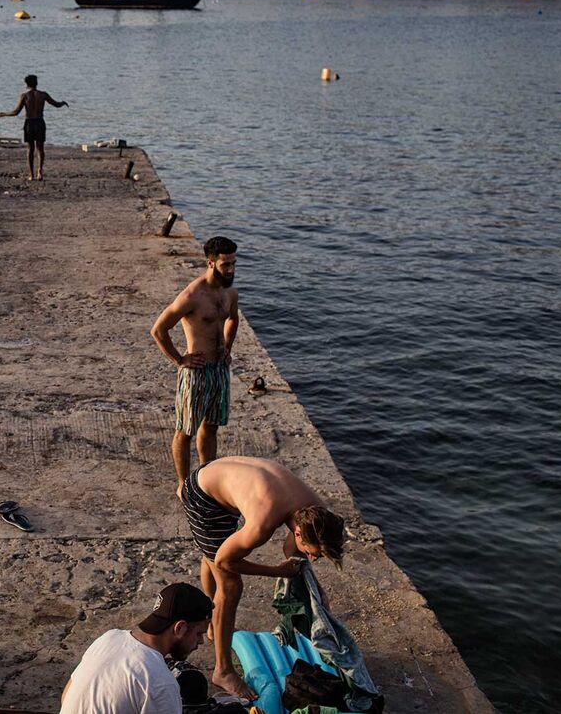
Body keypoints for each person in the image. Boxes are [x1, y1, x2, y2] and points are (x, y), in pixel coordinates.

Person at [181, 456, 346, 700]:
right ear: (298, 532)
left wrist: (315, 588)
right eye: (314, 554)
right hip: (203, 498)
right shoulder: (263, 522)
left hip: (223, 478)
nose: (313, 559)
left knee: (211, 554)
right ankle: (222, 671)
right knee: (230, 584)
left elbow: (292, 551)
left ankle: (214, 625)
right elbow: (224, 561)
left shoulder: (316, 512)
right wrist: (277, 571)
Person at [150, 236, 239, 501]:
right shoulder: (192, 295)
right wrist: (180, 360)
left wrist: (228, 347)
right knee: (185, 430)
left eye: (234, 263)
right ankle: (182, 485)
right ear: (210, 263)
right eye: (225, 265)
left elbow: (233, 318)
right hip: (196, 372)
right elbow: (159, 329)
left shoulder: (229, 292)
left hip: (218, 371)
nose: (231, 270)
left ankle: (207, 479)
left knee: (211, 426)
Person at [59, 583, 213, 714]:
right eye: (199, 633)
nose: (201, 642)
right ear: (180, 628)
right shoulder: (160, 683)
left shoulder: (110, 637)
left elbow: (67, 694)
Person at [0, 74, 67, 180]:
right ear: (36, 83)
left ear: (26, 84)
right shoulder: (43, 95)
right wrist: (63, 103)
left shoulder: (25, 96)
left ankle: (31, 174)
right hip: (40, 122)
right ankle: (40, 171)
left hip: (29, 123)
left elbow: (16, 112)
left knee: (30, 149)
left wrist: (4, 114)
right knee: (40, 148)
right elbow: (56, 104)